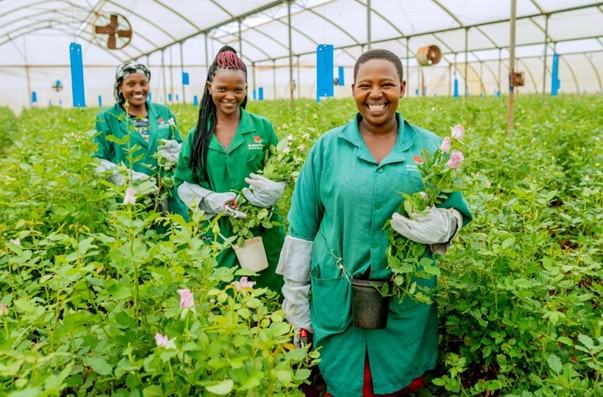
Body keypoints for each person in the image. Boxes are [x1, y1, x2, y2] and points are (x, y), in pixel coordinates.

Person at [277, 49, 472, 396]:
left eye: (387, 84)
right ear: (353, 89)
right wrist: (295, 295)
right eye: (365, 85)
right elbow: (302, 228)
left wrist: (444, 225)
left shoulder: (429, 147)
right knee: (345, 381)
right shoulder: (327, 148)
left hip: (405, 301)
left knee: (398, 382)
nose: (376, 94)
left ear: (403, 88)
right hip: (337, 295)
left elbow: (456, 210)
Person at [174, 46, 285, 294]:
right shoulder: (197, 136)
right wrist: (211, 200)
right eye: (222, 89)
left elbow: (280, 169)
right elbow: (181, 184)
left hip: (262, 229)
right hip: (218, 233)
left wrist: (275, 191)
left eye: (238, 89)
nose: (230, 96)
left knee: (269, 294)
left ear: (246, 89)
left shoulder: (262, 128)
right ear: (209, 87)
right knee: (225, 297)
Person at [93, 61, 187, 223]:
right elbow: (97, 161)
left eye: (143, 83)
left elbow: (181, 149)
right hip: (129, 200)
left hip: (168, 199)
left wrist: (178, 155)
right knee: (135, 241)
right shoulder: (108, 117)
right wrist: (126, 179)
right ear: (120, 87)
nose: (138, 89)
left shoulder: (163, 112)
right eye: (131, 84)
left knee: (174, 240)